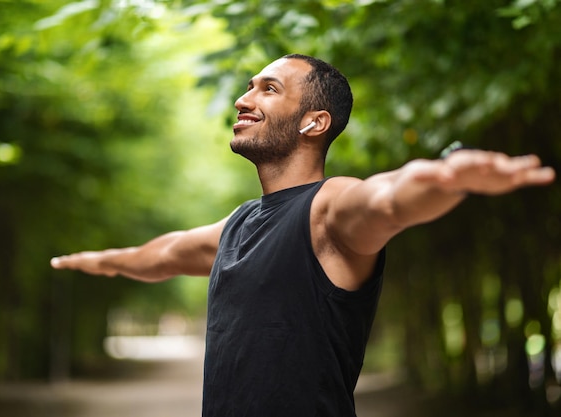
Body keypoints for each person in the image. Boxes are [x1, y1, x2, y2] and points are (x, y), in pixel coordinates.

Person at [50, 54, 555, 416]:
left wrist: (449, 176)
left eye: (268, 89)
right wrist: (101, 260)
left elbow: (390, 197)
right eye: (249, 86)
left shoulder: (330, 209)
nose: (243, 99)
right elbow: (163, 254)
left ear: (315, 122)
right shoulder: (240, 225)